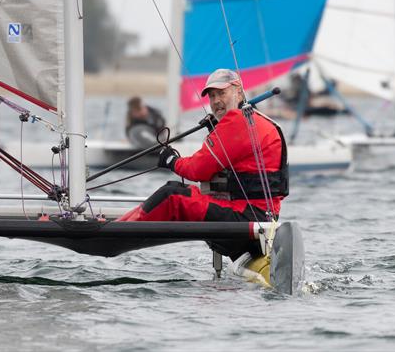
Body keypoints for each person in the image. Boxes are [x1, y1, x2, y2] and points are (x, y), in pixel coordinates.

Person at [117, 69, 289, 259]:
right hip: (261, 222)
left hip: (246, 224)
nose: (216, 101)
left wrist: (172, 161)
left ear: (239, 92)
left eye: (222, 93)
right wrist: (217, 128)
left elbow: (198, 170)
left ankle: (115, 232)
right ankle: (120, 225)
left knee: (172, 195)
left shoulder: (237, 122)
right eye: (212, 96)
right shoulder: (254, 120)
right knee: (181, 193)